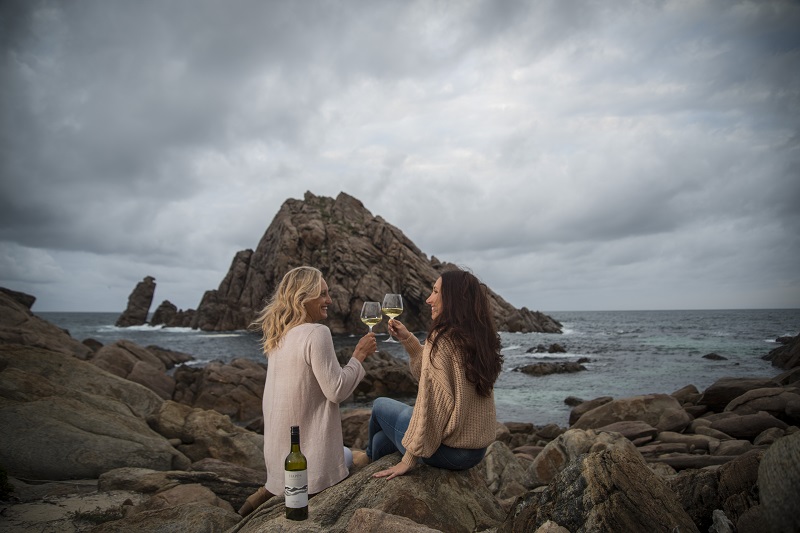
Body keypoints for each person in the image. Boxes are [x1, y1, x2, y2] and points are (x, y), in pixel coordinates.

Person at [238, 266, 377, 517]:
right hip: (310, 469)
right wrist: (359, 355)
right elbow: (336, 390)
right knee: (360, 457)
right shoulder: (316, 332)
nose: (329, 300)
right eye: (322, 294)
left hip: (279, 462)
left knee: (347, 453)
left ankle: (267, 491)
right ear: (303, 297)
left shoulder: (277, 335)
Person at [365, 269, 503, 480]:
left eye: (436, 292)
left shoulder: (443, 338)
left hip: (450, 451)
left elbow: (433, 404)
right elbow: (432, 374)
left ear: (453, 298)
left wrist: (408, 460)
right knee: (382, 441)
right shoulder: (479, 336)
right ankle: (371, 465)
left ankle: (366, 461)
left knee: (379, 405)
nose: (429, 299)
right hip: (475, 452)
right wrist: (408, 340)